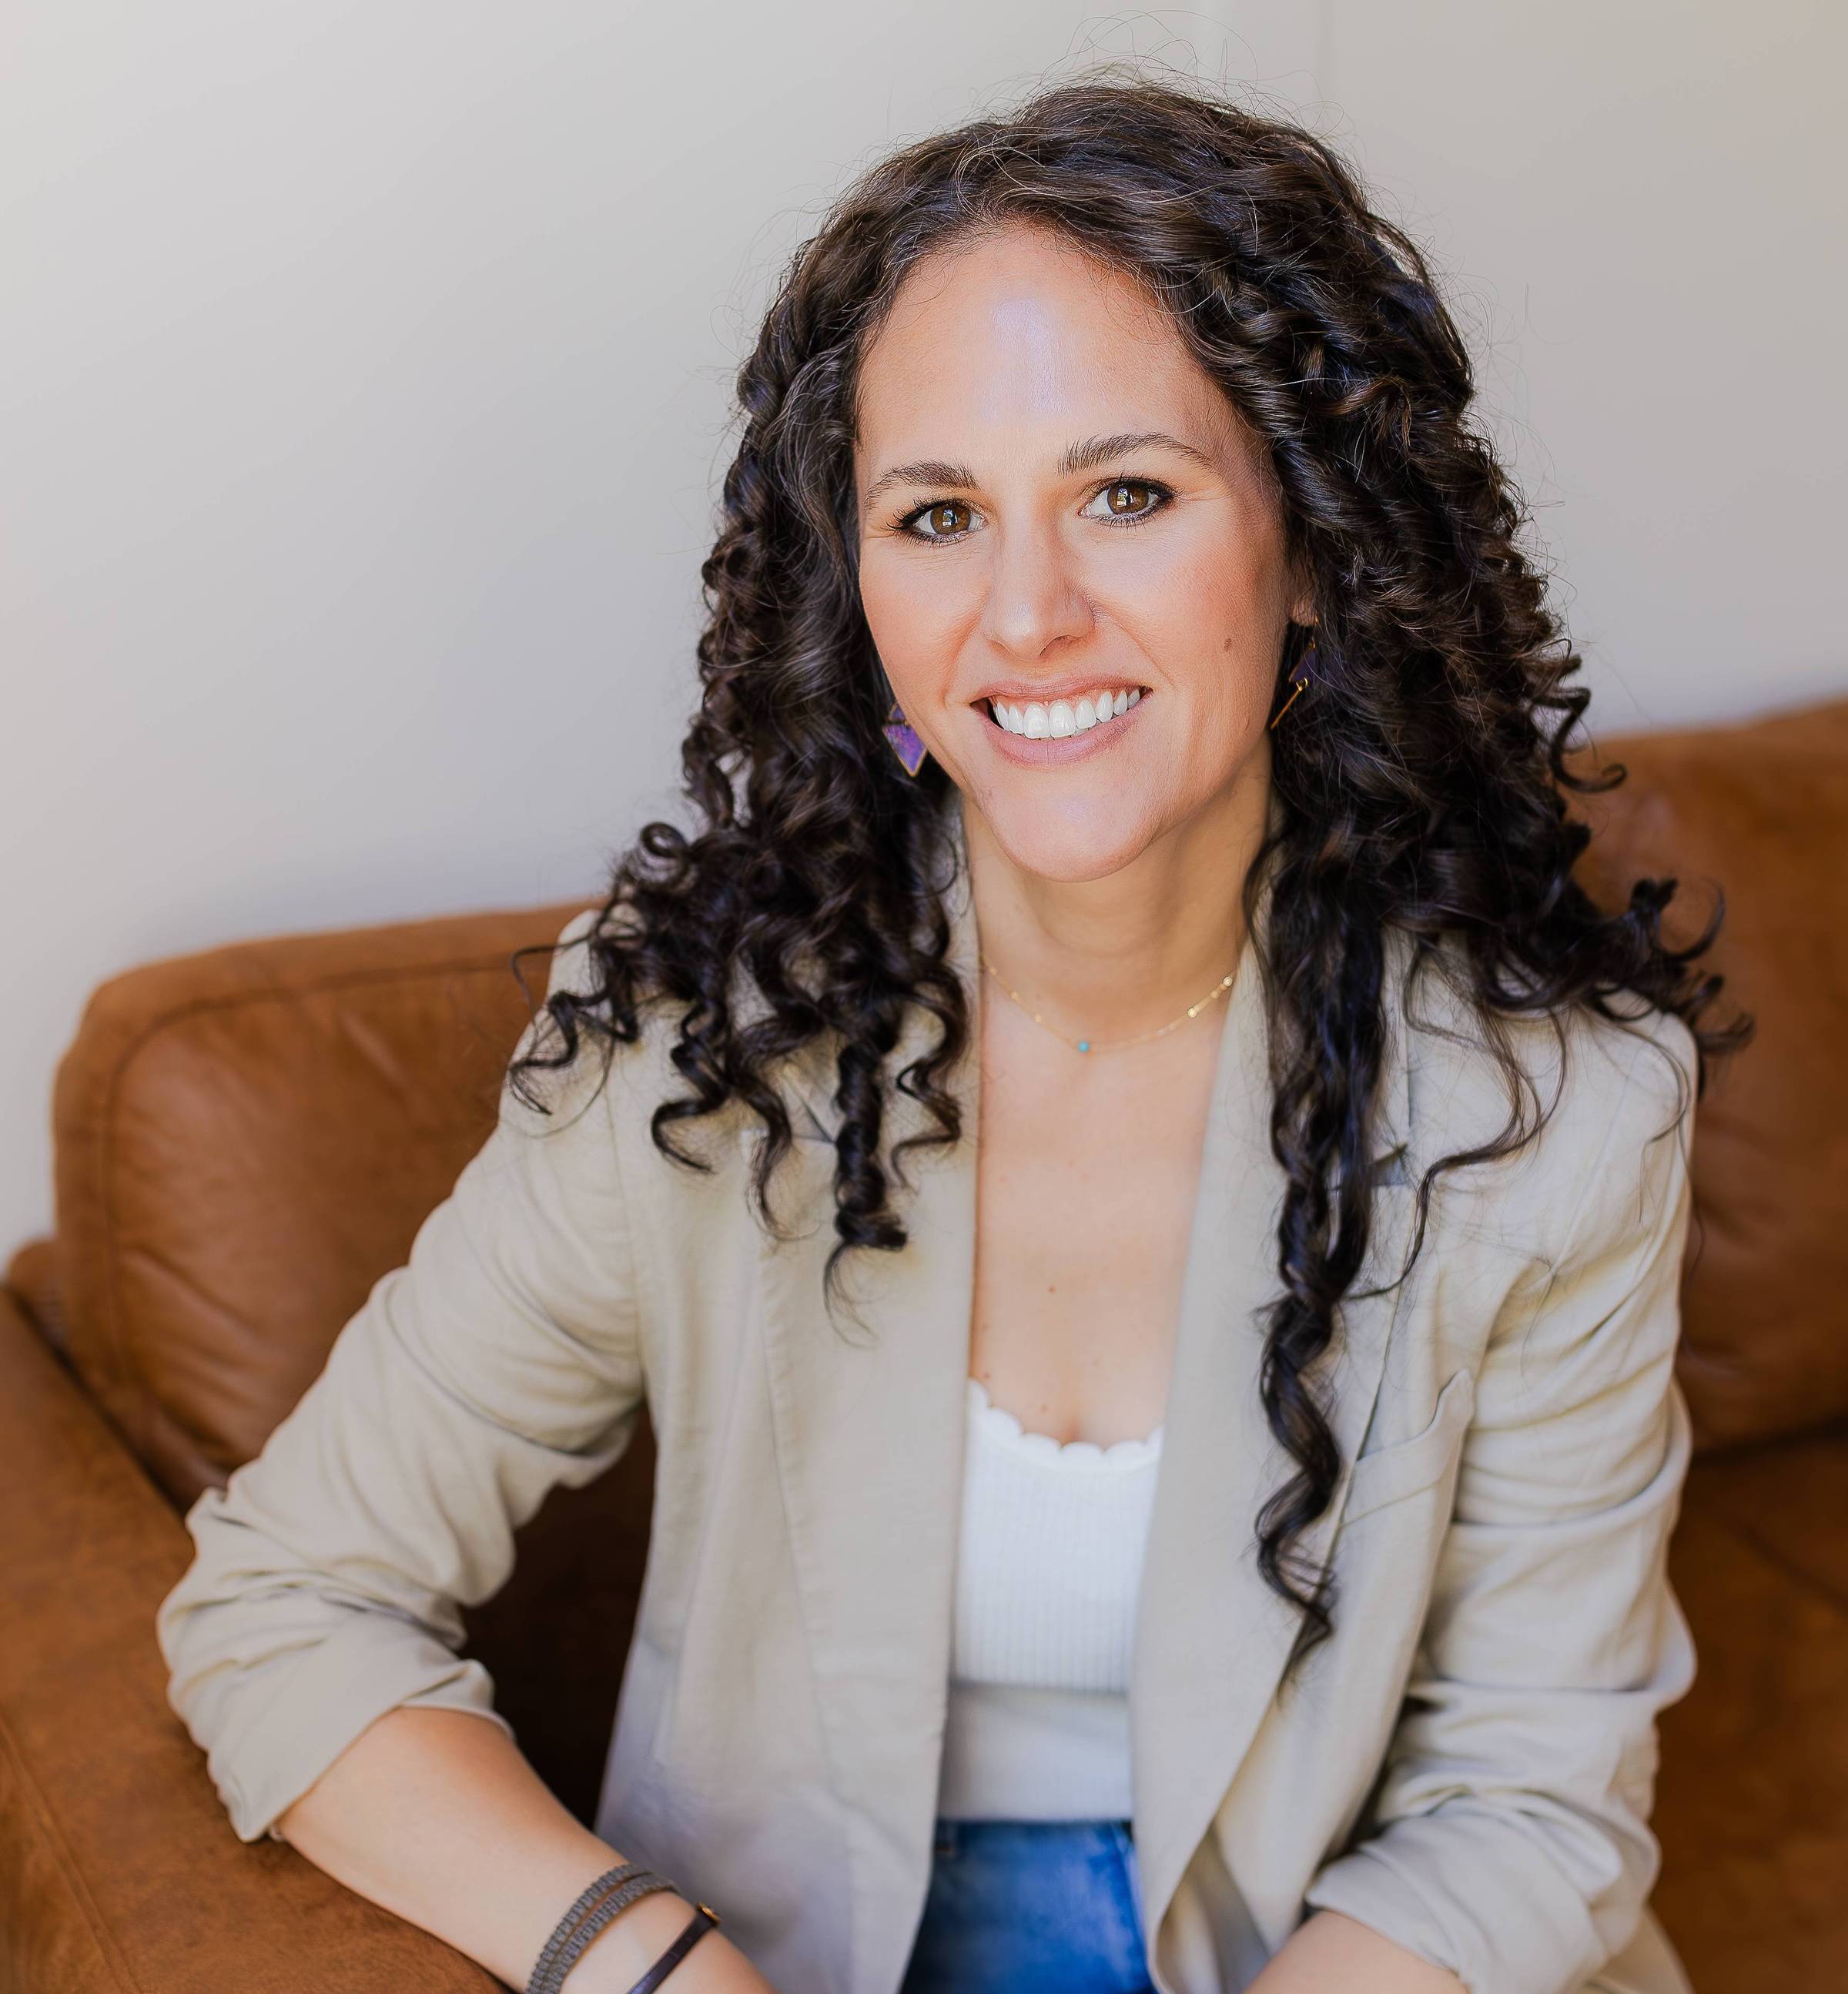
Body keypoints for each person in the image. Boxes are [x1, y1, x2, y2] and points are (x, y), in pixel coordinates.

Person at [156, 72, 1742, 1994]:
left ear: (1314, 544)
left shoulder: (1555, 1114)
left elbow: (1535, 1795)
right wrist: (647, 1963)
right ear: (862, 585)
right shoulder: (696, 1047)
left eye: (1127, 494)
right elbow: (288, 1599)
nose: (1028, 614)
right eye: (938, 515)